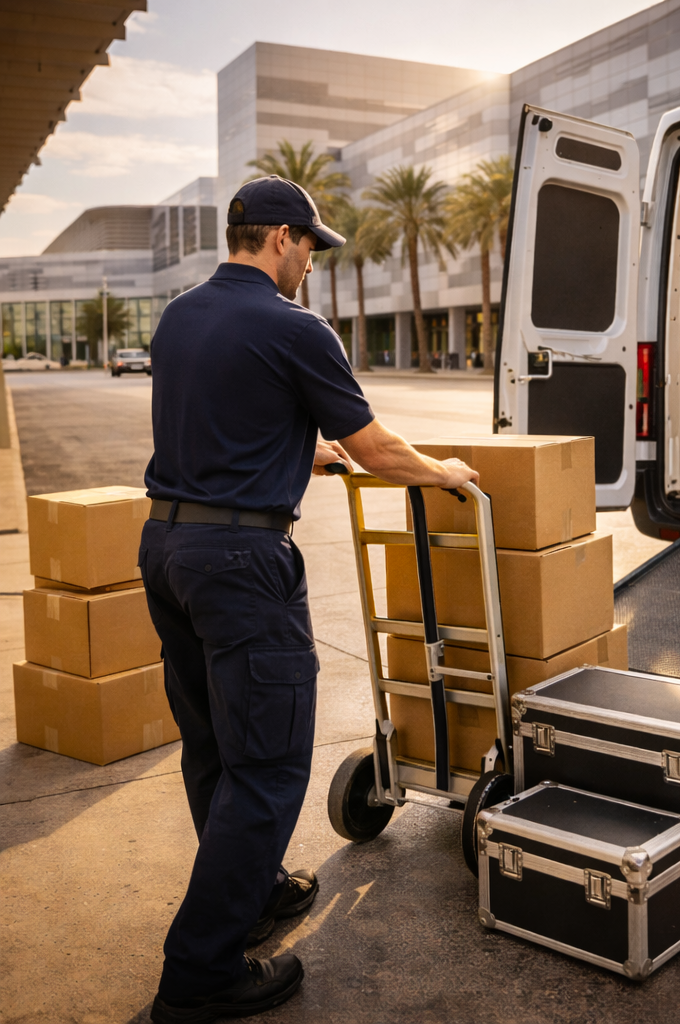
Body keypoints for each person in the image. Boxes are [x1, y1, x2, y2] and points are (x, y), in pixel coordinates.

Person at [141, 174, 478, 1024]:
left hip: (169, 548)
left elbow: (226, 420)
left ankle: (247, 898)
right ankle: (202, 970)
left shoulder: (181, 316)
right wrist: (441, 472)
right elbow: (375, 445)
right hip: (242, 563)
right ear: (284, 238)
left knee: (214, 746)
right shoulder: (295, 328)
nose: (311, 270)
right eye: (309, 253)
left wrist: (305, 457)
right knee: (269, 765)